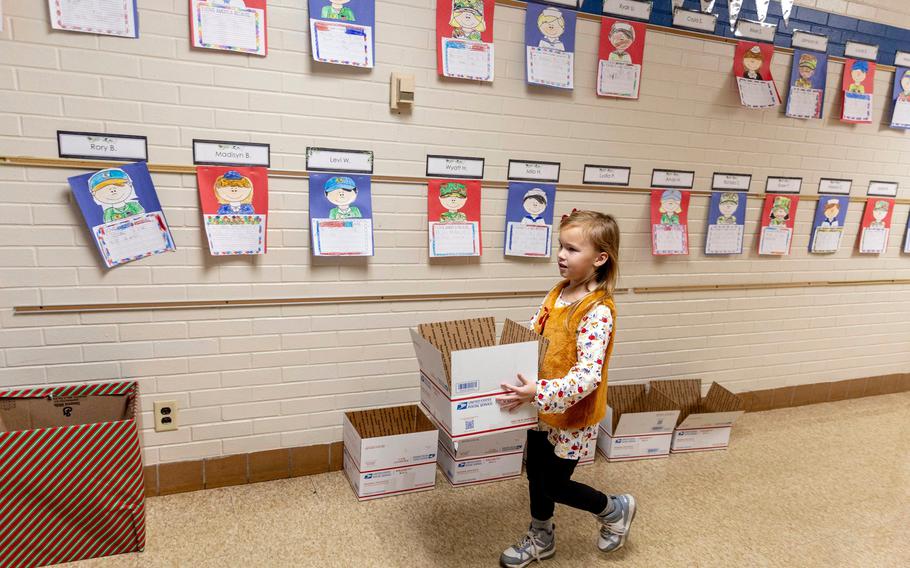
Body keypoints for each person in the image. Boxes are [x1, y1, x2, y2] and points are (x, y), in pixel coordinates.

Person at [497, 210, 635, 568]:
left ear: (600, 258)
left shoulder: (597, 310)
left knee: (555, 485)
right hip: (540, 408)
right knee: (536, 476)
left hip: (571, 416)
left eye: (572, 249)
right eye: (561, 246)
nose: (561, 255)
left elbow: (588, 376)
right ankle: (541, 535)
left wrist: (537, 392)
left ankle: (614, 509)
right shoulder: (557, 292)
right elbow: (533, 338)